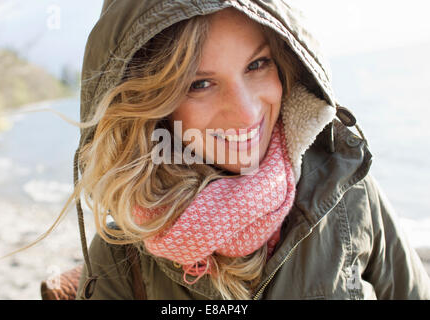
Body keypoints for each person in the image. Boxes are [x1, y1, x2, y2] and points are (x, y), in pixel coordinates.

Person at [55, 1, 430, 300]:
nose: (247, 112)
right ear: (156, 107)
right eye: (200, 83)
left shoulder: (346, 193)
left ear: (285, 66)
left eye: (257, 64)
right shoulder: (123, 252)